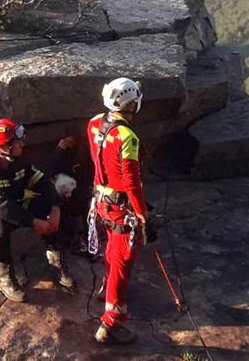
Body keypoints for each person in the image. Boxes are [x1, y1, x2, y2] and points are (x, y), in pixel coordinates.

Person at [0, 118, 70, 301]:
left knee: (42, 202)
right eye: (16, 141)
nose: (22, 143)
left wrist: (55, 207)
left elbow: (41, 181)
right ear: (4, 147)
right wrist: (33, 221)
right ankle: (3, 275)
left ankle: (54, 261)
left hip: (11, 208)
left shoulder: (18, 162)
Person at [88, 77, 147, 345]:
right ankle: (111, 323)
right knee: (123, 258)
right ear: (130, 105)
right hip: (121, 206)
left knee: (112, 250)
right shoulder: (127, 137)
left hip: (101, 201)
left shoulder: (94, 123)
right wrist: (142, 214)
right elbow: (131, 182)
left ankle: (106, 289)